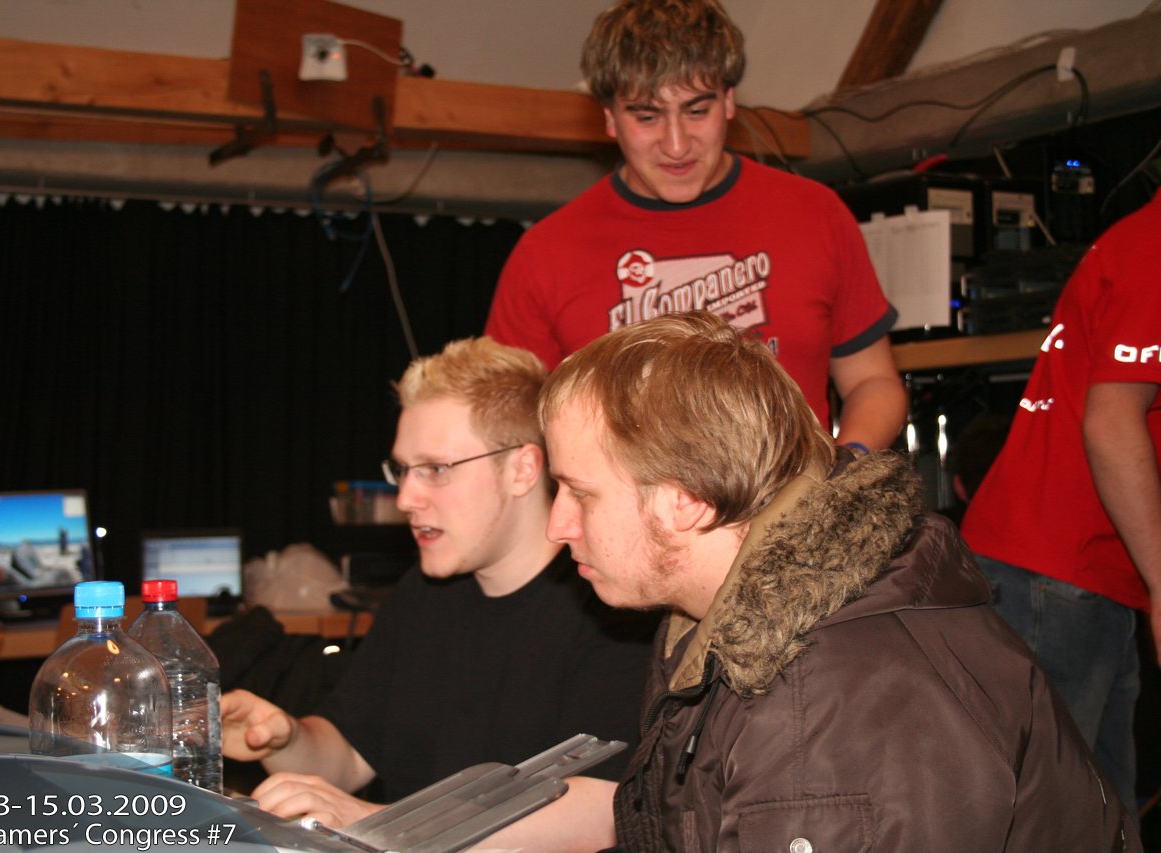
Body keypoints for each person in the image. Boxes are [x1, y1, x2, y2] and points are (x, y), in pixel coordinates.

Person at [487, 310, 1140, 851]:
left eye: (579, 492)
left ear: (686, 500)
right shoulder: (721, 623)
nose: (557, 525)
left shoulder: (830, 713)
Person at [220, 336, 656, 828]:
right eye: (403, 470)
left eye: (435, 469)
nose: (405, 498)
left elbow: (601, 810)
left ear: (522, 469)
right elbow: (346, 757)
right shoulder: (421, 596)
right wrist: (285, 739)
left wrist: (378, 824)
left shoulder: (609, 605)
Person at [484, 0, 906, 452]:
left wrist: (845, 468)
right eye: (647, 117)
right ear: (609, 117)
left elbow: (873, 382)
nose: (676, 144)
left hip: (799, 496)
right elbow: (504, 426)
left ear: (729, 100)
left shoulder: (816, 214)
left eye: (696, 111)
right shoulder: (546, 252)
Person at [962, 190, 1161, 821]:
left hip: (1083, 574)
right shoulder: (1154, 245)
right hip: (1055, 573)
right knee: (1046, 820)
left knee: (1100, 817)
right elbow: (1112, 423)